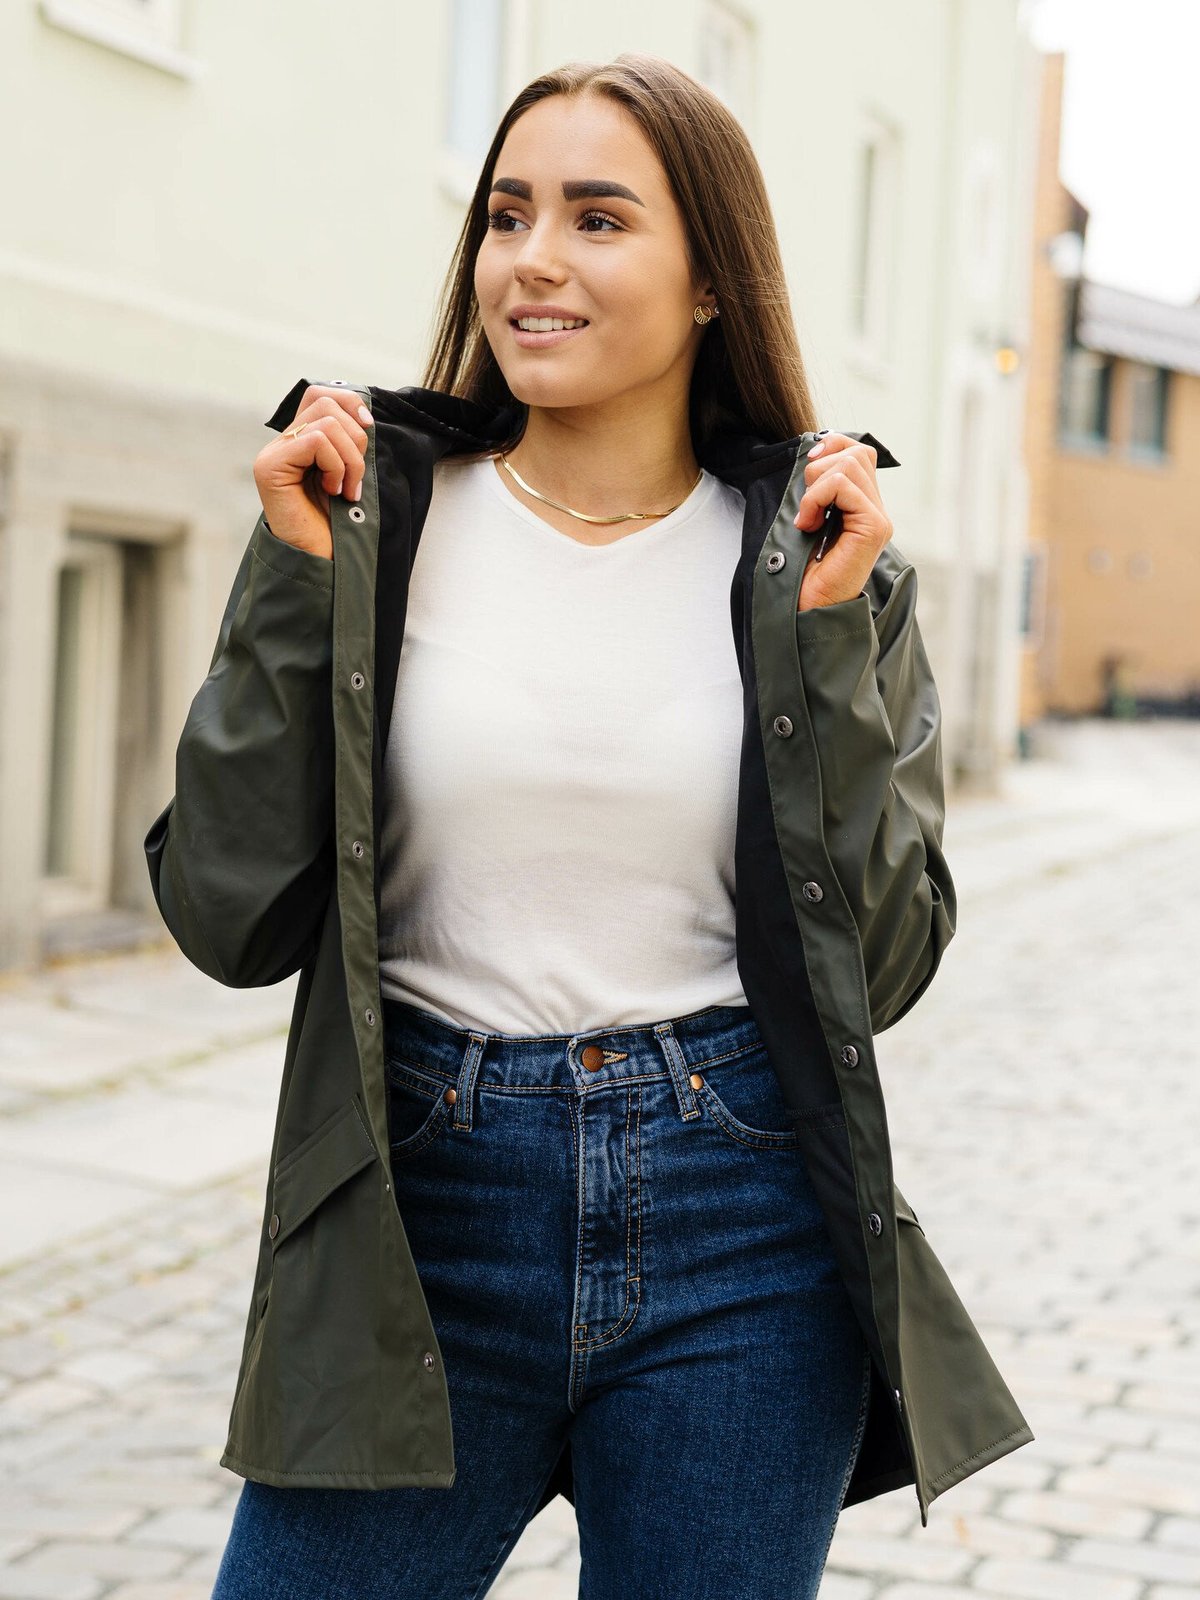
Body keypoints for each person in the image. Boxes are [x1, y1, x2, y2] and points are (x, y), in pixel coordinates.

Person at [147, 49, 1032, 1600]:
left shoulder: (820, 560)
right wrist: (292, 582)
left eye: (599, 219)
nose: (531, 260)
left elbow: (884, 964)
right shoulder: (366, 519)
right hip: (416, 1219)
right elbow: (227, 916)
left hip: (740, 1223)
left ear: (710, 283)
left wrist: (834, 651)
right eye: (507, 213)